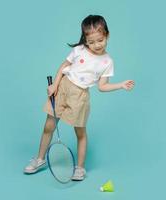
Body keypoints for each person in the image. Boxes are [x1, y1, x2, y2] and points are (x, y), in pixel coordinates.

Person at [24, 15, 135, 181]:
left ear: (107, 35)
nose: (96, 45)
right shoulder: (79, 50)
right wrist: (54, 85)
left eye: (100, 40)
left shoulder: (107, 62)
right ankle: (39, 159)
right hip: (62, 88)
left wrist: (120, 85)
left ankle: (80, 168)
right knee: (48, 126)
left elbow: (102, 86)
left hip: (80, 96)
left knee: (80, 132)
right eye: (91, 42)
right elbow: (64, 66)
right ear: (85, 39)